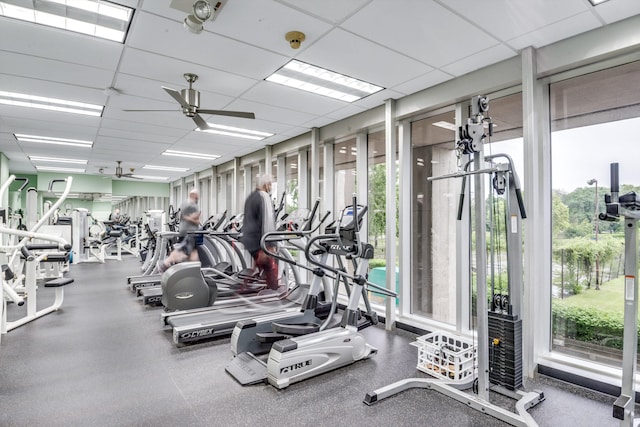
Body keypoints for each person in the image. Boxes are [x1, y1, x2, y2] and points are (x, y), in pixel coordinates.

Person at [241, 174, 280, 291]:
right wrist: (269, 245)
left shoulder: (251, 196)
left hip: (249, 240)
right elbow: (267, 222)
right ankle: (275, 295)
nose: (271, 186)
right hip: (259, 241)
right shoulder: (264, 196)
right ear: (266, 185)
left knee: (261, 267)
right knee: (272, 269)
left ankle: (247, 289)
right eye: (270, 184)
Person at [157, 189, 201, 273]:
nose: (198, 197)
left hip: (188, 231)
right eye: (197, 195)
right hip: (189, 232)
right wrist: (196, 219)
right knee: (183, 251)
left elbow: (190, 217)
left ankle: (193, 272)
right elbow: (193, 218)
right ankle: (164, 264)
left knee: (192, 253)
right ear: (193, 195)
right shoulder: (191, 205)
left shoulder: (186, 203)